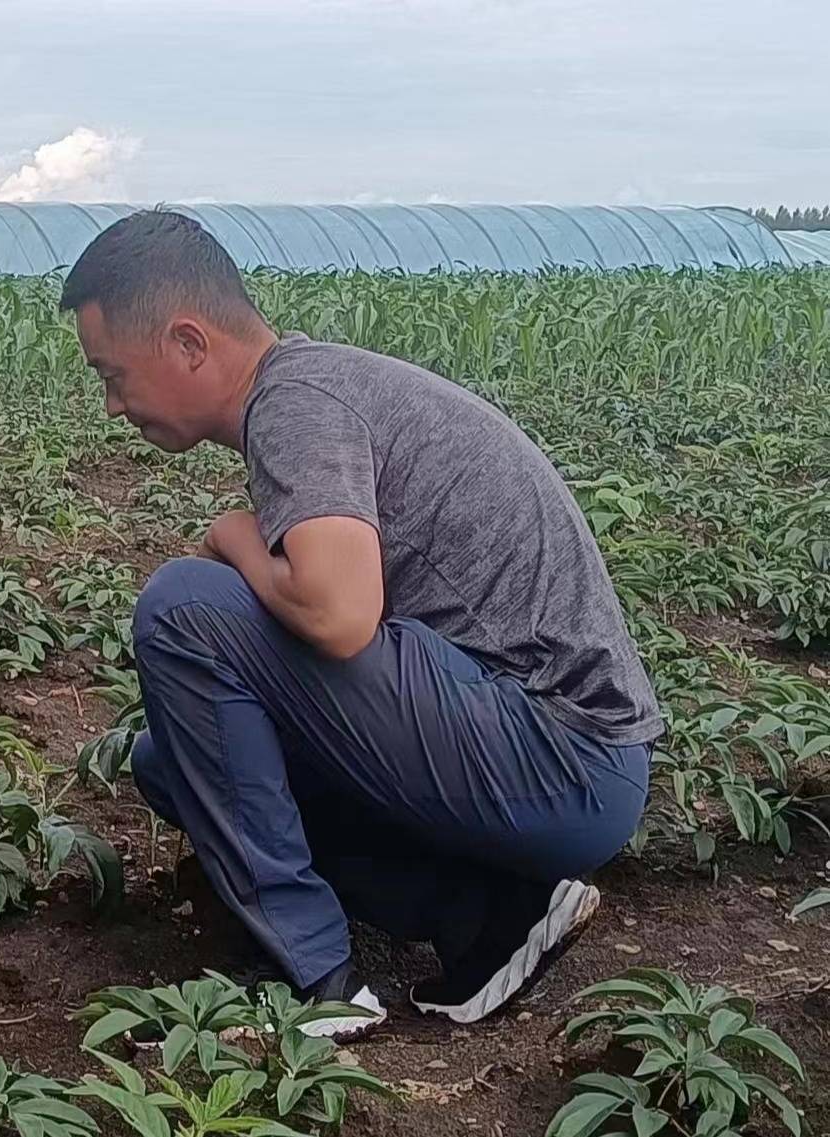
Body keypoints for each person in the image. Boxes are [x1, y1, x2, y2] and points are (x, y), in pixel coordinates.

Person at [61, 210, 659, 1035]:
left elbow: (339, 617)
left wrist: (236, 540)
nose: (111, 405)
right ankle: (489, 920)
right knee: (175, 761)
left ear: (189, 343)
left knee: (184, 607)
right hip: (556, 762)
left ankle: (316, 982)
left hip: (564, 757)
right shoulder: (314, 388)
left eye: (114, 375)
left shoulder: (294, 403)